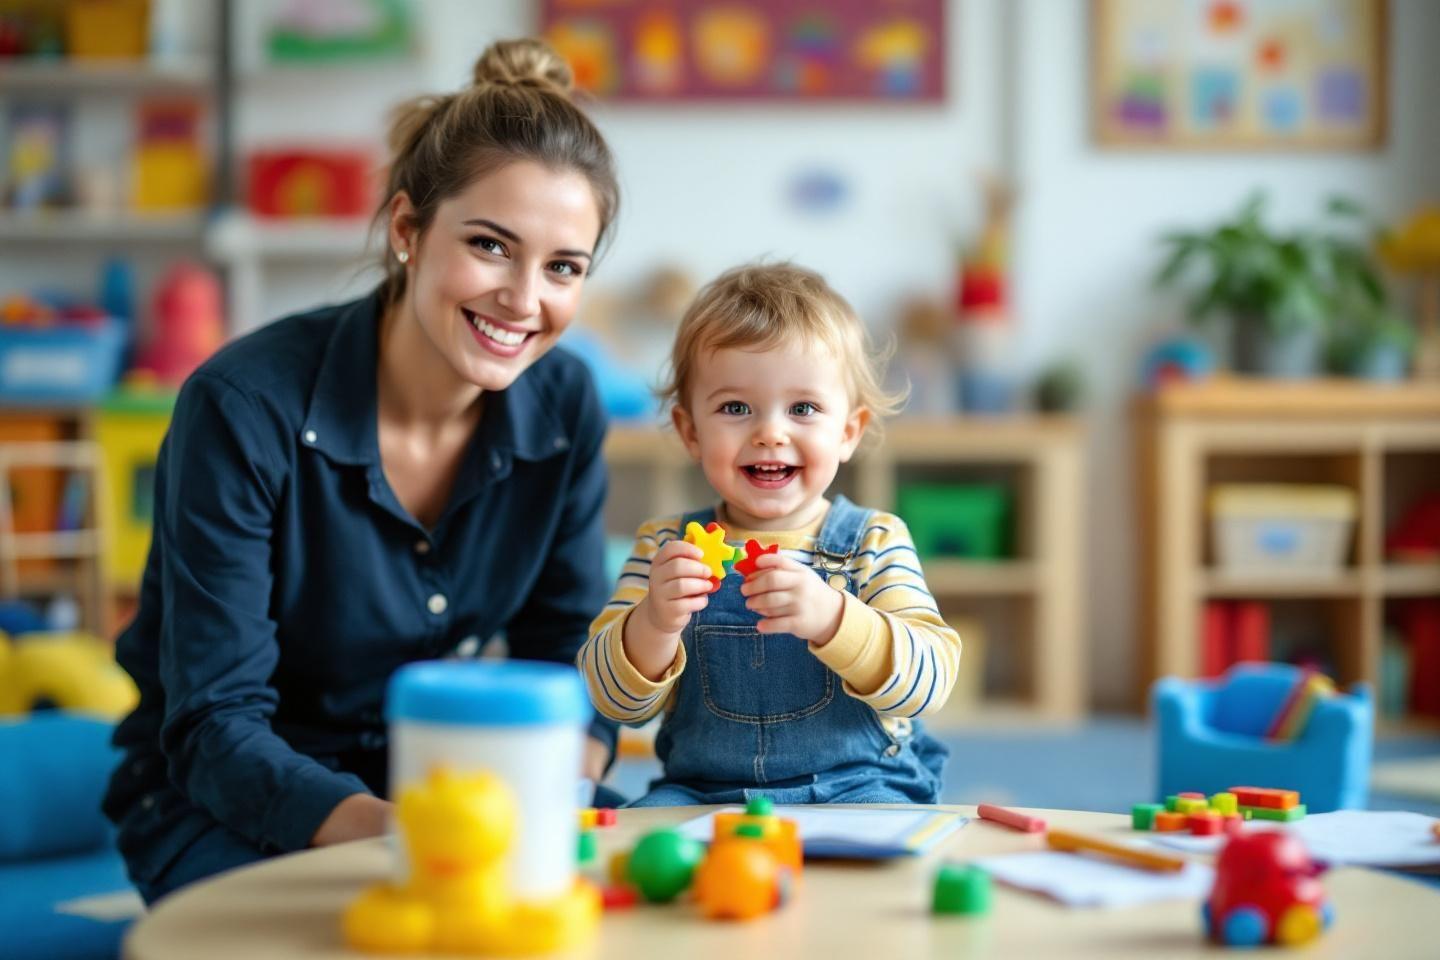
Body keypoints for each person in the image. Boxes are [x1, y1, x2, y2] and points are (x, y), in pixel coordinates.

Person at [103, 38, 621, 903]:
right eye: (492, 246)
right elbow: (215, 727)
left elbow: (568, 647)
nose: (526, 300)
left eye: (563, 266)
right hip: (224, 801)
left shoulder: (565, 401)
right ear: (408, 230)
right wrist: (419, 840)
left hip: (447, 780)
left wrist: (562, 788)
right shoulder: (241, 407)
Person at [579, 263, 961, 806]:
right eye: (736, 408)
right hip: (704, 790)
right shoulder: (664, 546)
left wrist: (834, 619)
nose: (770, 433)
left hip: (858, 785)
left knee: (890, 857)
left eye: (803, 408)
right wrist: (653, 622)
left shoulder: (874, 540)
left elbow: (930, 683)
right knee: (639, 848)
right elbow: (611, 699)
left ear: (849, 431)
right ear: (690, 431)